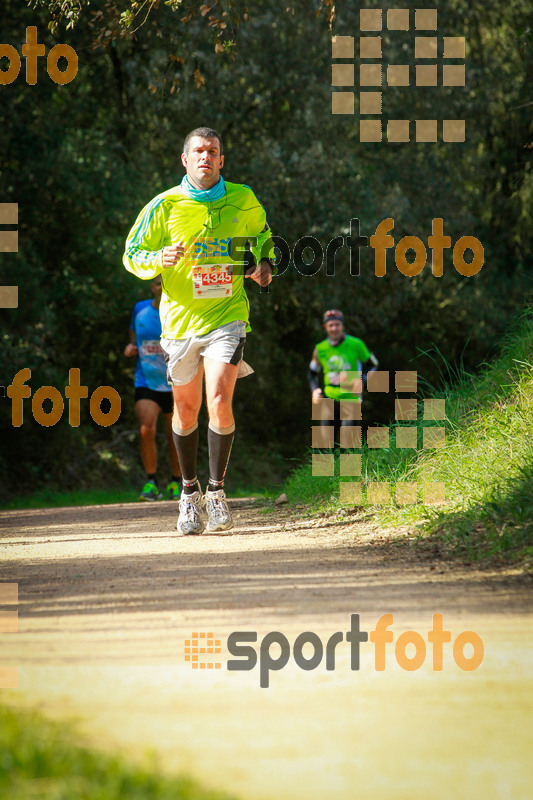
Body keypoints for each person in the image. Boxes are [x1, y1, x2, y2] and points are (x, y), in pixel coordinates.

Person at [123, 126, 275, 534]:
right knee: (186, 410)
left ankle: (216, 491)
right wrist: (159, 257)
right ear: (185, 160)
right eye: (198, 151)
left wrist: (264, 265)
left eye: (213, 151)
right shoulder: (164, 205)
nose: (206, 157)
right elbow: (131, 254)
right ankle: (188, 494)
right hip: (180, 324)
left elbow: (263, 237)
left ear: (221, 160)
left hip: (228, 315)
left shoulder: (243, 198)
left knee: (220, 399)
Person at [124, 275, 182, 501]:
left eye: (165, 282)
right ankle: (151, 482)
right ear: (153, 287)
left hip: (174, 382)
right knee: (146, 429)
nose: (162, 286)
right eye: (158, 283)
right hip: (146, 381)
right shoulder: (140, 310)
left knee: (173, 434)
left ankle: (176, 482)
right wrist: (131, 348)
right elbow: (133, 338)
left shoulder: (179, 312)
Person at [308, 310, 378, 445]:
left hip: (351, 397)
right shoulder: (320, 349)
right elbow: (312, 372)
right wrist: (315, 389)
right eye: (331, 325)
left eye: (337, 325)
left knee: (349, 444)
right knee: (326, 444)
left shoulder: (356, 344)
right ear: (325, 327)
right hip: (329, 397)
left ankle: (351, 466)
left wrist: (362, 380)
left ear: (342, 326)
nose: (334, 328)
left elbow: (373, 365)